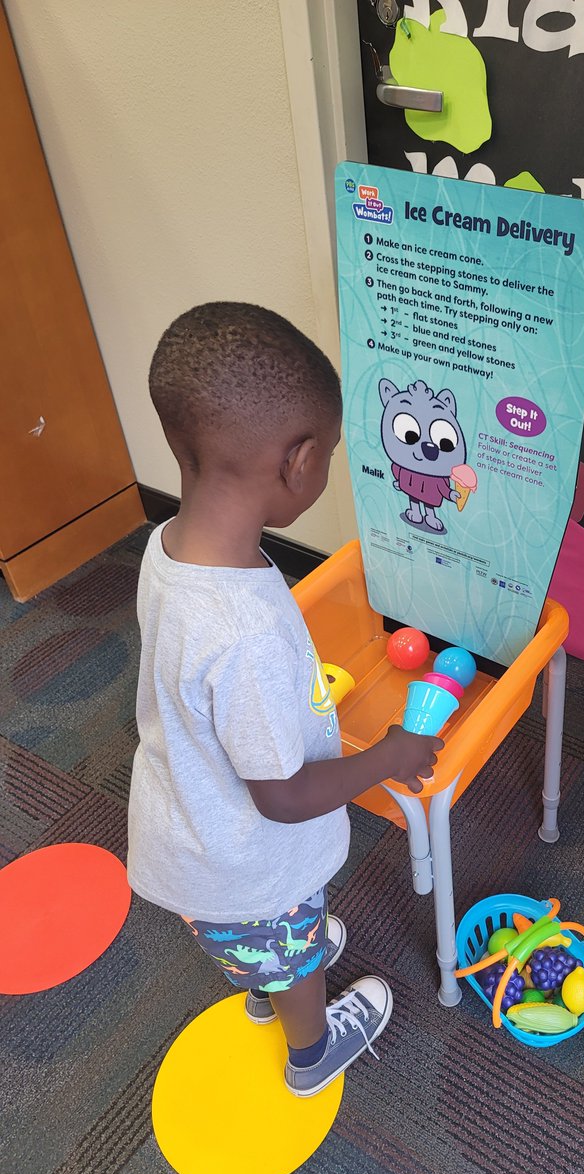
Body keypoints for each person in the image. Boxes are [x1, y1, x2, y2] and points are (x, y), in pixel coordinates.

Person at [127, 302, 441, 1097]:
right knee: (293, 949)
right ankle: (312, 1050)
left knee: (263, 941)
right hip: (244, 860)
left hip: (189, 828)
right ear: (299, 462)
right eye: (330, 455)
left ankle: (263, 965)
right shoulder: (244, 634)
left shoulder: (166, 547)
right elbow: (286, 796)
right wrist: (389, 757)